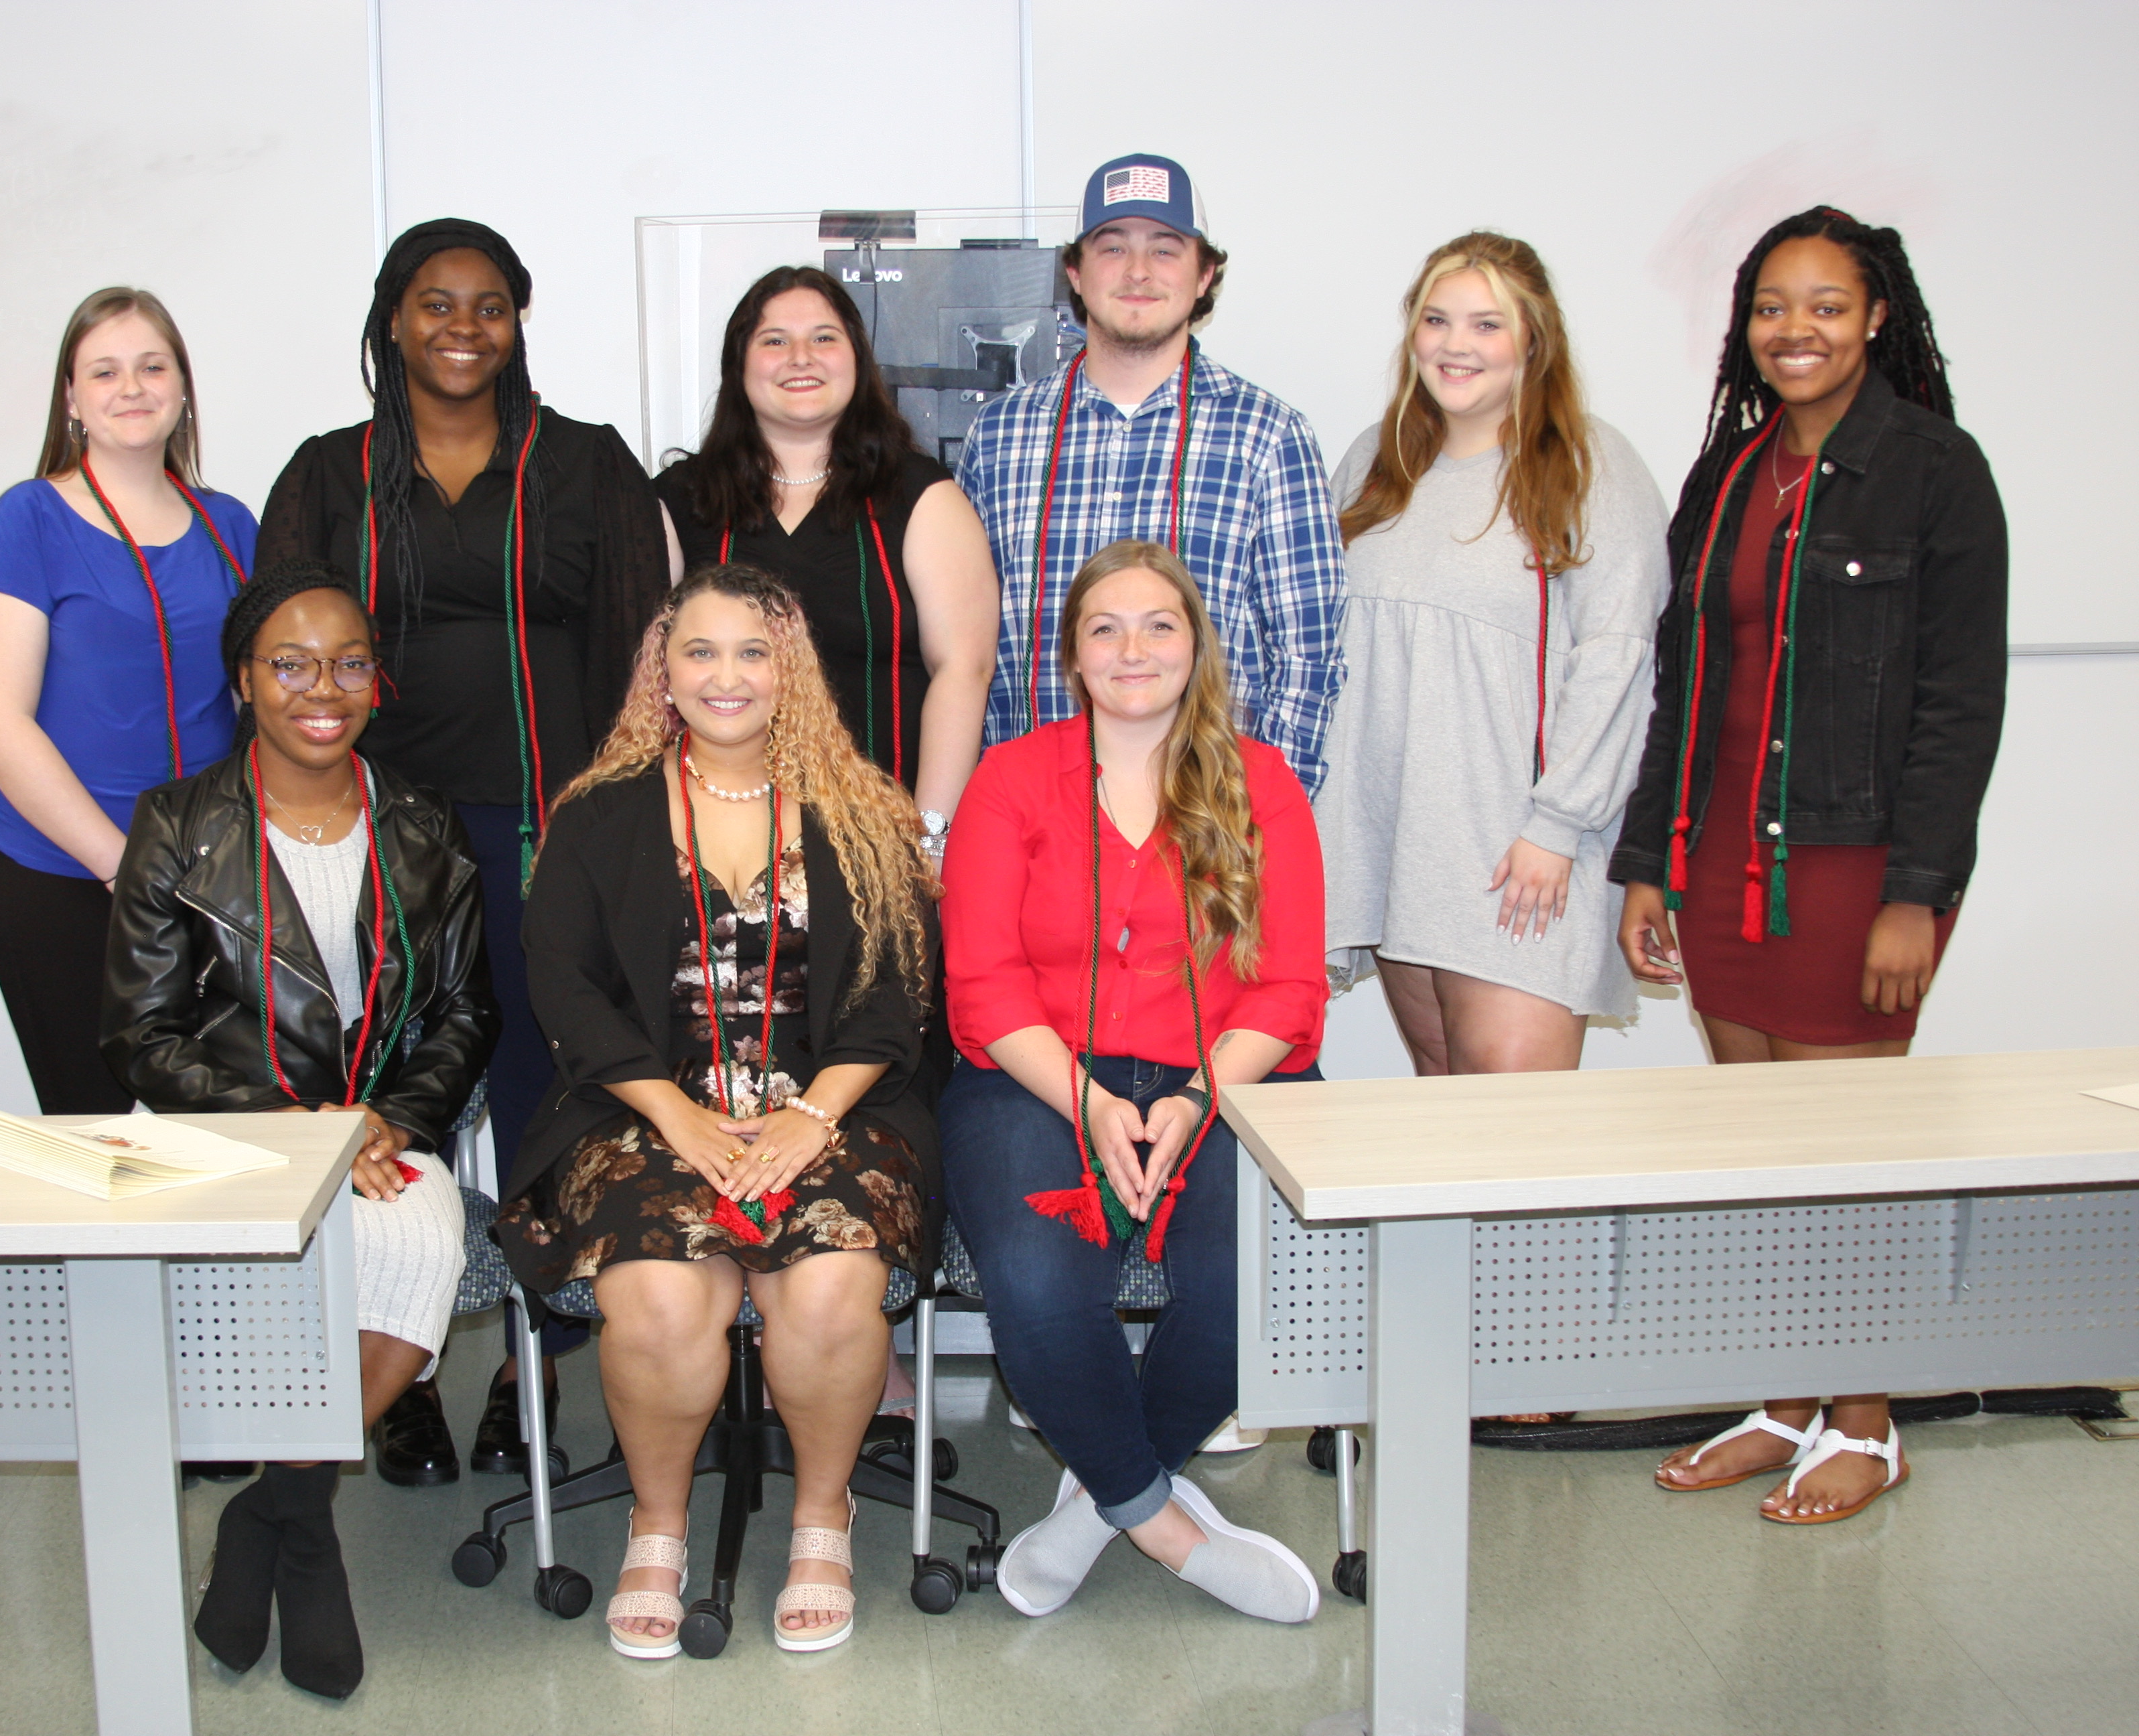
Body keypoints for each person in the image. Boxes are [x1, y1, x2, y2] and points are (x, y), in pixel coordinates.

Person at [256, 219, 669, 1484]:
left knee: (550, 1097)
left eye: (488, 306)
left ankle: (530, 1365)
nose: (461, 328)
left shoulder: (588, 466)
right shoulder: (328, 475)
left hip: (553, 835)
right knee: (400, 1096)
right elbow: (278, 665)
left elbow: (641, 660)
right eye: (434, 304)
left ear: (517, 321)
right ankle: (402, 1362)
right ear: (391, 319)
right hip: (380, 844)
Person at [1614, 208, 2005, 1522]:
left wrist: (1920, 895)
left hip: (1852, 869)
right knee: (1767, 1158)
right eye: (1774, 307)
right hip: (1720, 859)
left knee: (1849, 1160)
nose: (1797, 331)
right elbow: (1683, 683)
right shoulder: (1729, 471)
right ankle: (1788, 1402)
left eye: (1827, 305)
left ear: (1877, 316)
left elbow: (1960, 705)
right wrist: (1649, 862)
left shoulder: (1938, 472)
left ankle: (1871, 1420)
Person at [496, 565, 937, 1656]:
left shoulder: (862, 812)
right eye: (699, 651)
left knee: (832, 1284)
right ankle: (657, 1523)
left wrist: (813, 1115)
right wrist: (675, 1116)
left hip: (831, 1109)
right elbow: (563, 984)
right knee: (653, 1295)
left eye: (753, 652)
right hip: (639, 1111)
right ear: (663, 669)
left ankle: (821, 1517)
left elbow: (894, 994)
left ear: (791, 674)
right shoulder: (597, 816)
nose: (726, 675)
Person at [102, 561, 496, 1700]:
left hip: (380, 1129)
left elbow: (471, 1011)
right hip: (216, 1124)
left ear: (377, 683)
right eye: (290, 663)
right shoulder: (176, 824)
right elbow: (138, 1034)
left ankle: (278, 1500)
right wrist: (292, 1126)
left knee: (425, 1246)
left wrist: (388, 1116)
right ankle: (307, 1535)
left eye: (349, 662)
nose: (321, 686)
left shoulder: (425, 825)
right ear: (244, 681)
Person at [940, 540, 1327, 1623]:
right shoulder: (1010, 780)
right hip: (1037, 1075)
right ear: (1069, 654)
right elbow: (981, 984)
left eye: (1157, 623)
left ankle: (1093, 1508)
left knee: (1247, 1273)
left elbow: (1290, 986)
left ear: (1195, 644)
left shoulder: (1261, 781)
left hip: (1233, 1075)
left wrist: (1198, 1094)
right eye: (1103, 626)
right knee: (1033, 1272)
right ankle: (1163, 1526)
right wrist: (1092, 1102)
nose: (1131, 648)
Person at [1320, 233, 1671, 1072]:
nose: (1456, 344)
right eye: (1437, 320)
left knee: (1517, 1146)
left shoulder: (1589, 465)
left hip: (1520, 853)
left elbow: (1621, 657)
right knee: (1448, 1119)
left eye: (1487, 324)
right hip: (1397, 844)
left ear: (1533, 340)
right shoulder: (1375, 460)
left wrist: (1558, 824)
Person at [954, 153, 1347, 798]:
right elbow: (961, 647)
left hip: (1199, 825)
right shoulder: (999, 435)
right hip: (1031, 820)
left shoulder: (1268, 437)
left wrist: (1260, 812)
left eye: (1166, 250)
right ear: (1076, 274)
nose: (1138, 272)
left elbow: (1308, 659)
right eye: (1113, 248)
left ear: (1204, 274)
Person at [0, 287, 255, 1113]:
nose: (132, 387)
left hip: (202, 877)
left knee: (217, 1139)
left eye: (152, 366)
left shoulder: (231, 525)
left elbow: (260, 701)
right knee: (94, 1144)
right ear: (72, 398)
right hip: (59, 875)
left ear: (183, 388)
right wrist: (125, 869)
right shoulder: (28, 519)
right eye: (105, 370)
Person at [652, 265, 999, 852]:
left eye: (823, 338)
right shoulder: (679, 501)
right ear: (739, 367)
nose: (800, 358)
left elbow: (964, 670)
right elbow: (650, 682)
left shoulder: (921, 495)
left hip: (882, 841)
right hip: (719, 844)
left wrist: (929, 842)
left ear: (858, 361)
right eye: (774, 341)